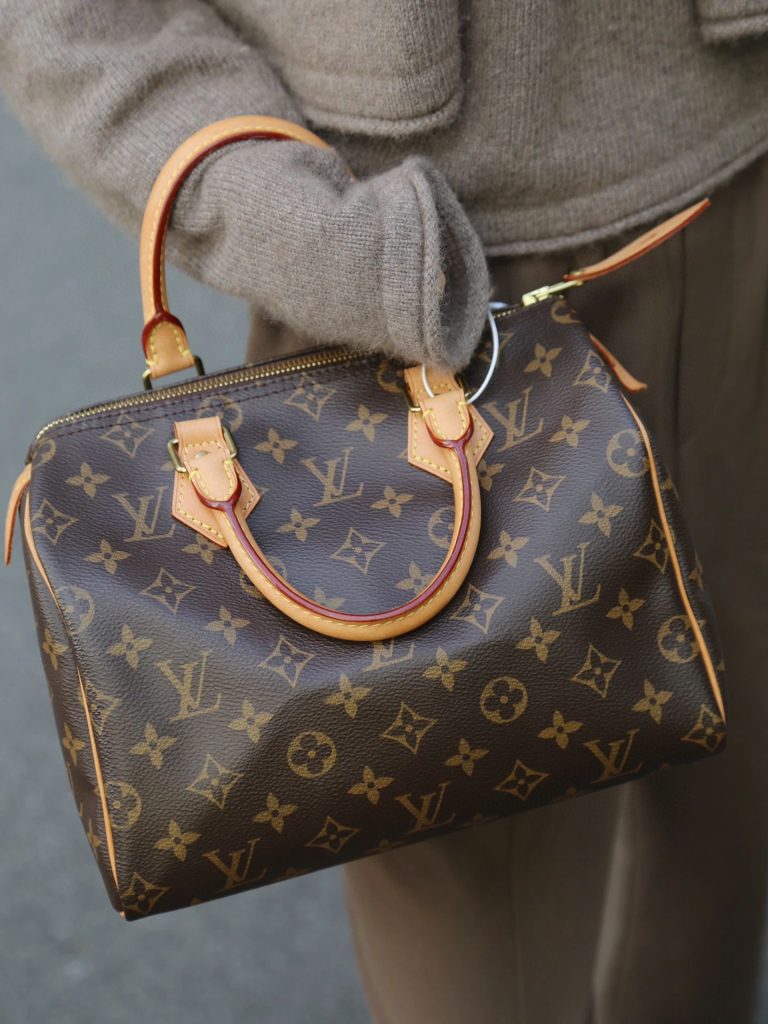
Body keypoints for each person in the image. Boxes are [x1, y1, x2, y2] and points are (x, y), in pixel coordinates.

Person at [2, 3, 768, 1021]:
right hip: (398, 287)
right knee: (476, 917)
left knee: (732, 809)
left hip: (738, 165)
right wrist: (274, 211)